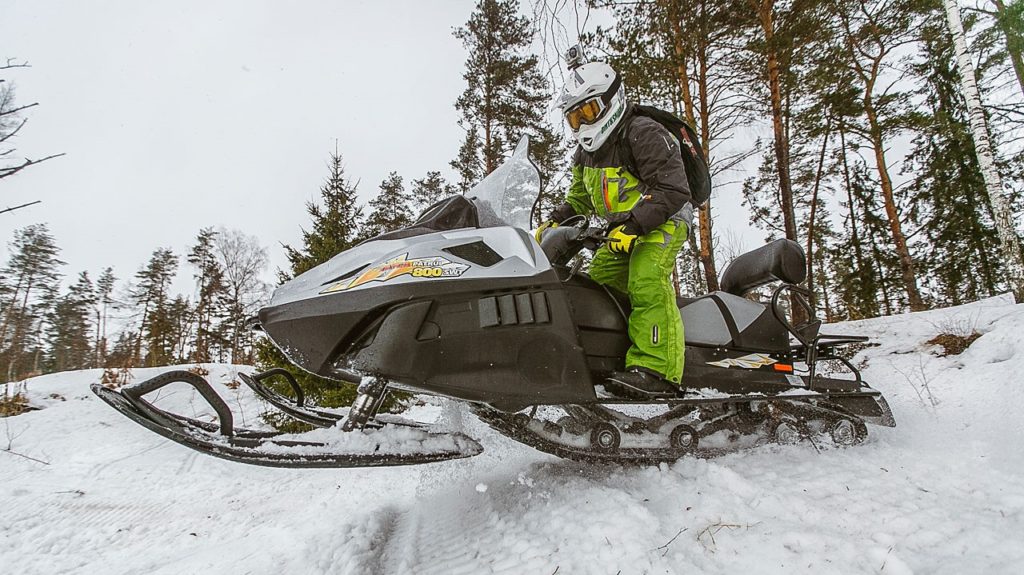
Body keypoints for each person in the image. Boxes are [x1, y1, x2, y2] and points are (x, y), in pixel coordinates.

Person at [538, 58, 694, 398]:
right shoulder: (584, 155)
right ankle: (607, 363)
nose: (582, 124)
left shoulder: (643, 132)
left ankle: (657, 370)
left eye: (589, 112)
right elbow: (579, 200)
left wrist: (636, 225)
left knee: (646, 277)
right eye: (574, 118)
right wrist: (553, 221)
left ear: (612, 101)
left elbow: (673, 187)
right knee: (598, 289)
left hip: (664, 220)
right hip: (622, 229)